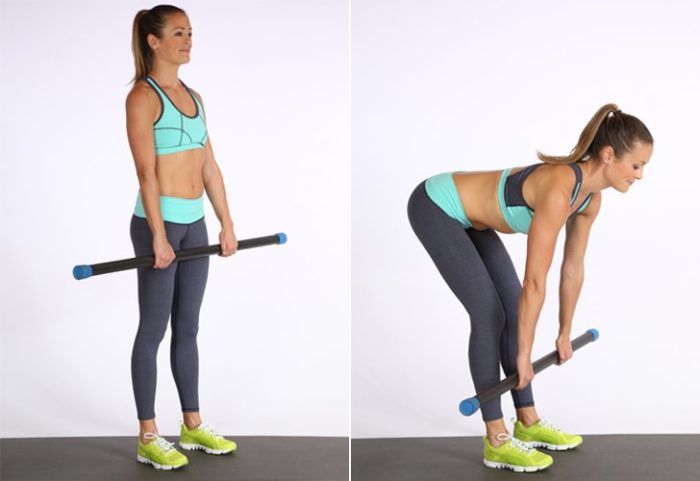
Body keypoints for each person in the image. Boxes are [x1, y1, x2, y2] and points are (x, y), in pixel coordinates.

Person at [407, 103, 653, 473]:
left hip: (473, 218)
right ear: (608, 155)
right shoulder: (558, 189)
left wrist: (564, 332)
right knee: (489, 313)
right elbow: (534, 281)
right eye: (637, 165)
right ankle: (496, 438)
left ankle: (528, 419)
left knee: (511, 310)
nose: (640, 175)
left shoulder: (590, 199)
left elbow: (572, 270)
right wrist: (524, 355)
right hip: (437, 205)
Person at [127, 5, 238, 470]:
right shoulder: (142, 97)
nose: (187, 40)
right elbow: (146, 172)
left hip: (193, 225)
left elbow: (209, 166)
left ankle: (191, 424)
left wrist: (226, 223)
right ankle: (148, 435)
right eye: (178, 33)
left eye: (190, 32)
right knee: (153, 328)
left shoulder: (194, 95)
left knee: (188, 326)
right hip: (159, 225)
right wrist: (157, 235)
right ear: (154, 41)